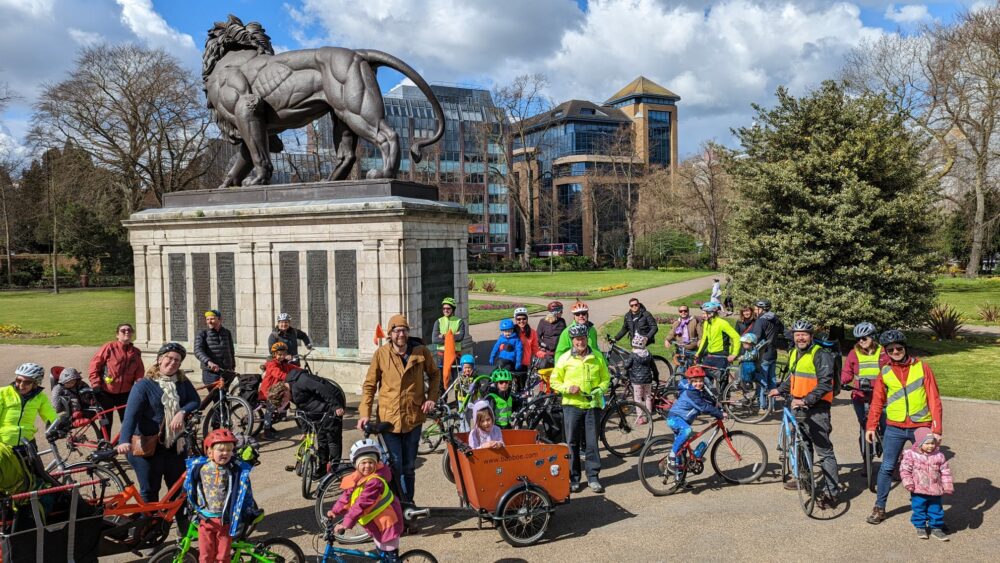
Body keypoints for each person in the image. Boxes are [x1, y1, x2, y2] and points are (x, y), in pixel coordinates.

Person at [358, 314, 441, 505]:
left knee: (409, 467)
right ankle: (395, 507)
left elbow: (435, 375)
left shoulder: (421, 352)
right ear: (390, 334)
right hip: (389, 420)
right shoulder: (381, 354)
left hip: (413, 418)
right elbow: (369, 385)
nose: (400, 334)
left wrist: (432, 399)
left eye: (404, 330)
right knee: (394, 466)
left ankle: (408, 506)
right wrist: (364, 414)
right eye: (396, 331)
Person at [864, 329, 944, 526]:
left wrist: (937, 429)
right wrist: (871, 426)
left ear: (905, 347)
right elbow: (877, 401)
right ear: (886, 352)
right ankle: (879, 507)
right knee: (887, 467)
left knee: (927, 468)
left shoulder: (922, 367)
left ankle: (928, 511)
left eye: (899, 348)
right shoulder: (885, 371)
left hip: (920, 426)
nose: (895, 352)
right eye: (890, 350)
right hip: (895, 427)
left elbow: (934, 398)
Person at [768, 320, 840, 508]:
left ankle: (832, 493)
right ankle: (806, 482)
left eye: (804, 334)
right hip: (797, 406)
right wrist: (781, 389)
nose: (800, 337)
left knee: (824, 452)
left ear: (811, 335)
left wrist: (806, 400)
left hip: (816, 409)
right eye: (797, 334)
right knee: (801, 446)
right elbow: (794, 375)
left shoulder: (820, 354)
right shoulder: (794, 353)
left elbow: (825, 384)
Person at [116, 343, 200, 504]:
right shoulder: (143, 386)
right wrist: (124, 441)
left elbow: (195, 400)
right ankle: (150, 527)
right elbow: (131, 416)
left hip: (174, 445)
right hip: (148, 448)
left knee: (178, 490)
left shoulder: (181, 381)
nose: (173, 362)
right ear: (160, 359)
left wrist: (181, 412)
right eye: (169, 358)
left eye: (177, 360)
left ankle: (177, 526)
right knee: (150, 491)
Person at [551, 323, 610, 494]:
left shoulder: (597, 356)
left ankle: (593, 477)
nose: (580, 342)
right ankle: (574, 478)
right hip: (572, 406)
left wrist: (600, 389)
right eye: (577, 339)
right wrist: (568, 389)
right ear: (572, 341)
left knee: (592, 442)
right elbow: (554, 381)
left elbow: (606, 378)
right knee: (572, 443)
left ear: (587, 339)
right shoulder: (565, 359)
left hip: (592, 406)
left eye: (583, 338)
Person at [184, 428, 256, 563]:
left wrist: (249, 510)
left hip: (225, 521)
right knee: (205, 556)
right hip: (205, 520)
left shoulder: (235, 470)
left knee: (223, 557)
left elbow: (245, 492)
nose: (225, 453)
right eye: (221, 450)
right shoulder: (200, 468)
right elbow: (189, 487)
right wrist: (190, 506)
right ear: (210, 453)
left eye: (229, 450)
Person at [329, 439, 404, 562]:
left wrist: (345, 524)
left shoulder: (375, 481)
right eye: (363, 462)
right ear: (356, 465)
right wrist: (335, 511)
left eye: (370, 462)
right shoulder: (357, 477)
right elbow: (347, 494)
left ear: (376, 463)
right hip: (376, 524)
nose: (367, 466)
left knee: (391, 557)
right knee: (381, 553)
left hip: (387, 523)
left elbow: (361, 503)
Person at [666, 366, 724, 480]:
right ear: (689, 381)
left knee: (681, 450)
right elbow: (703, 406)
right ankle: (671, 455)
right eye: (695, 381)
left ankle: (679, 479)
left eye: (701, 381)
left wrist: (717, 405)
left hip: (682, 420)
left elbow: (706, 400)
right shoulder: (690, 393)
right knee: (687, 431)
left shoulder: (696, 391)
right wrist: (720, 414)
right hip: (675, 419)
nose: (699, 384)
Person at [286, 365, 346, 476]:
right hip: (318, 407)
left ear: (285, 392)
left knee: (332, 437)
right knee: (321, 437)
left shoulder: (302, 381)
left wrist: (336, 406)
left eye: (284, 401)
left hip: (333, 400)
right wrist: (305, 431)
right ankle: (323, 467)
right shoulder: (290, 390)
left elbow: (322, 389)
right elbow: (300, 410)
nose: (286, 403)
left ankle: (334, 468)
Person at [840, 322, 886, 467]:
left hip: (880, 397)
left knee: (887, 429)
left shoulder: (883, 353)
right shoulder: (854, 354)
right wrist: (840, 382)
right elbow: (847, 373)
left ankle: (893, 463)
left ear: (872, 337)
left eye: (864, 338)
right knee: (864, 427)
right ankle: (866, 461)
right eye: (858, 339)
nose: (861, 341)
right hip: (860, 396)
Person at [900, 428, 953, 541]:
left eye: (932, 443)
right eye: (927, 443)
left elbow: (945, 471)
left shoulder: (939, 456)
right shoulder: (911, 455)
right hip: (918, 488)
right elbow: (905, 470)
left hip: (935, 489)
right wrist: (908, 482)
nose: (930, 446)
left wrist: (947, 485)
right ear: (919, 443)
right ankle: (920, 526)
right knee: (919, 508)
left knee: (936, 509)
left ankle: (936, 527)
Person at [88, 323, 144, 430]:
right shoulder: (109, 347)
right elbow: (94, 365)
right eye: (123, 331)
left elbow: (139, 371)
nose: (127, 332)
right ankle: (105, 445)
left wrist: (140, 386)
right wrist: (95, 383)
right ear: (117, 335)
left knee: (128, 421)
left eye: (129, 330)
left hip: (126, 393)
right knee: (106, 423)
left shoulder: (136, 352)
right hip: (106, 392)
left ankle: (125, 443)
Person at [1, 363, 57, 447]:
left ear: (35, 383)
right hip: (4, 443)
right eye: (19, 380)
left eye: (27, 382)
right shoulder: (3, 393)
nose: (21, 385)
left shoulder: (40, 397)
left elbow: (50, 416)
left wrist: (61, 426)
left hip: (27, 442)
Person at [694, 301, 740, 386]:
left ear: (711, 313)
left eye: (704, 313)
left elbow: (736, 337)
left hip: (721, 356)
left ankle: (724, 397)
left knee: (722, 381)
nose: (702, 315)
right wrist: (698, 353)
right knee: (704, 377)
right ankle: (709, 397)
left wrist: (734, 354)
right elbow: (705, 339)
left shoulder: (722, 323)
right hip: (710, 355)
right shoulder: (707, 323)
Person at [749, 299, 782, 403]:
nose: (754, 311)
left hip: (763, 354)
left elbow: (756, 337)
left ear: (761, 309)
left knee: (762, 381)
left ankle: (763, 406)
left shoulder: (760, 321)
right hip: (773, 353)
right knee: (772, 380)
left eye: (756, 309)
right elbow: (782, 331)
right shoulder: (775, 319)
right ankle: (771, 405)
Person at [259, 342, 295, 437]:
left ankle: (270, 425)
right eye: (279, 354)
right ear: (274, 354)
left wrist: (302, 371)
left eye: (284, 354)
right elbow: (278, 374)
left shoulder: (282, 363)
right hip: (268, 391)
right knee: (270, 409)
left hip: (276, 390)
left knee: (280, 404)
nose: (282, 356)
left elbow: (292, 368)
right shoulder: (272, 364)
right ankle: (266, 431)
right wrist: (289, 377)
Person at [194, 309, 236, 388]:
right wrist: (209, 362)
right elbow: (198, 350)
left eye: (212, 319)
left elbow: (231, 351)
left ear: (219, 319)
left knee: (224, 398)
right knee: (216, 396)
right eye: (207, 319)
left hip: (226, 371)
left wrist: (232, 367)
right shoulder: (202, 334)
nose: (209, 321)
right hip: (211, 373)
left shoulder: (227, 332)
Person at [622, 335, 656, 424]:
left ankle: (640, 417)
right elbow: (654, 367)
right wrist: (656, 377)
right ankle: (648, 416)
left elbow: (627, 366)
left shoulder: (633, 354)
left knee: (638, 399)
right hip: (648, 379)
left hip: (637, 381)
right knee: (648, 397)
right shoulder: (648, 354)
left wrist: (625, 362)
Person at [535, 301, 566, 366]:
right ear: (555, 312)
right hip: (547, 352)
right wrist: (543, 345)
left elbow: (565, 335)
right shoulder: (543, 322)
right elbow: (537, 336)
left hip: (559, 351)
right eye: (560, 311)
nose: (562, 313)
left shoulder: (562, 321)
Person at [513, 307, 539, 372]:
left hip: (525, 363)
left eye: (524, 318)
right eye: (518, 319)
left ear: (527, 319)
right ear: (515, 320)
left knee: (523, 381)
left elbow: (535, 348)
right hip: (512, 362)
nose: (521, 321)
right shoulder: (511, 331)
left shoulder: (532, 332)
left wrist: (542, 354)